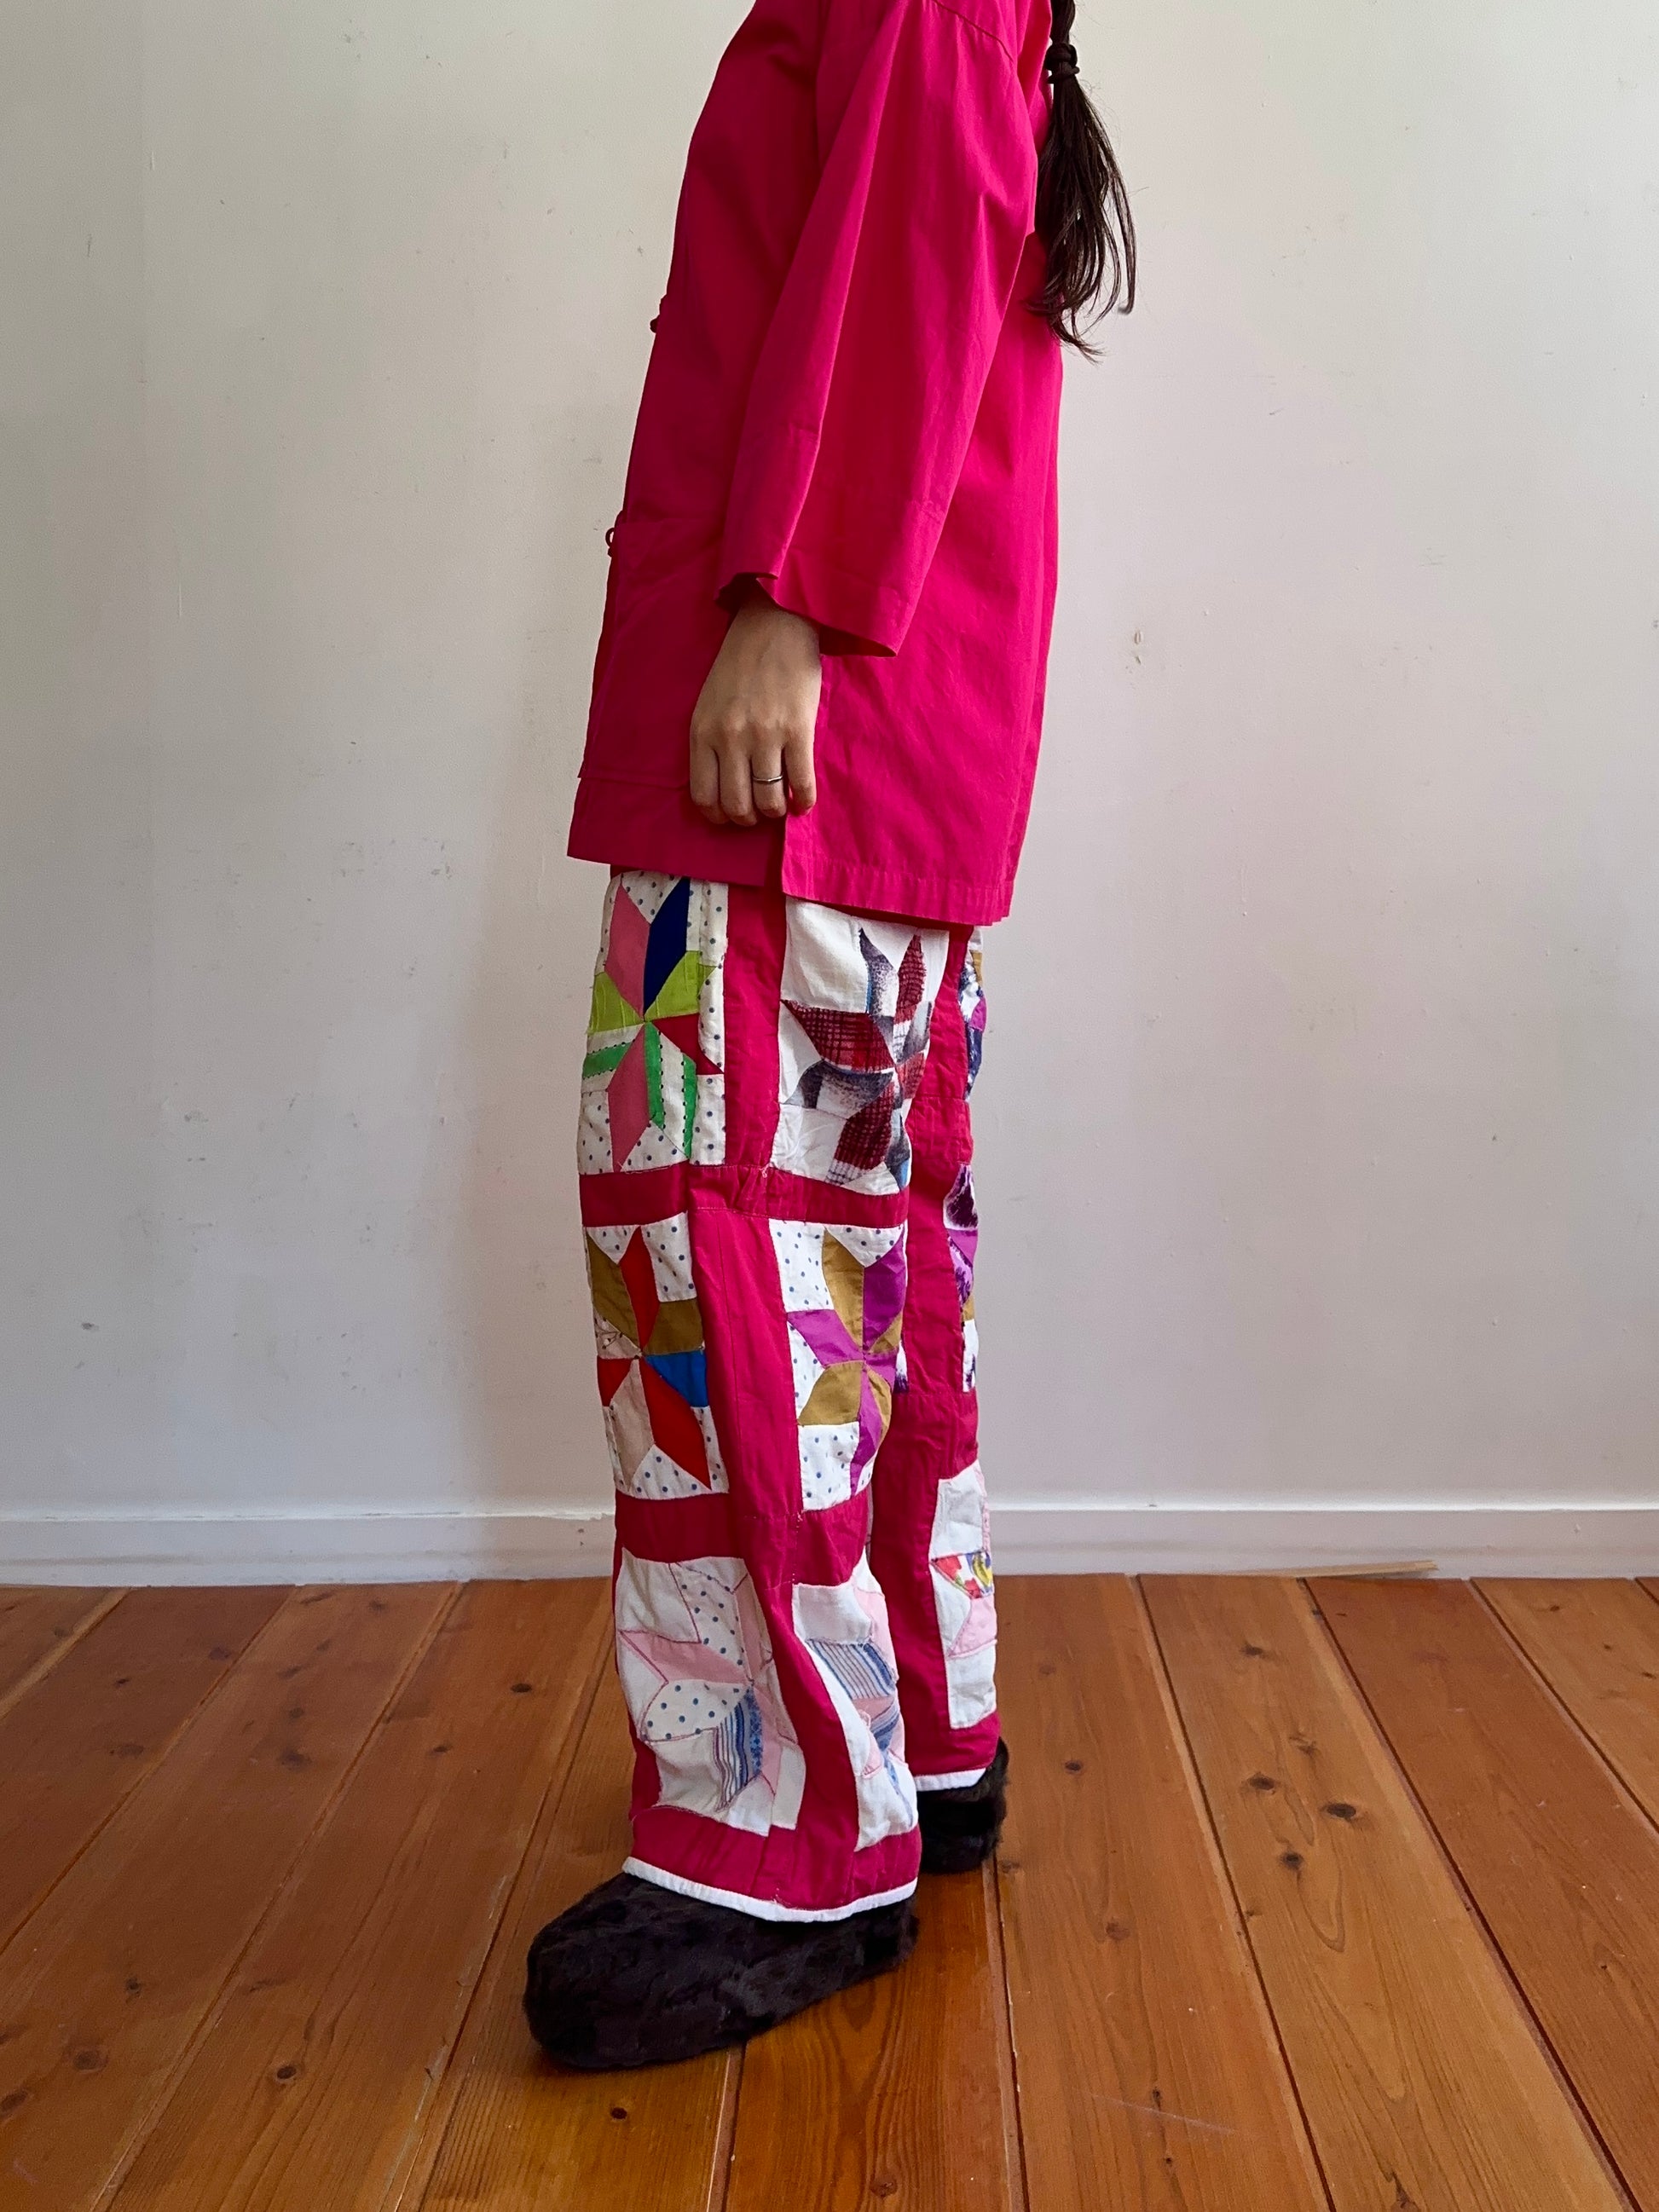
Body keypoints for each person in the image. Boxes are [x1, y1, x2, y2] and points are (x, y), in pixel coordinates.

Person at [524, 0, 1134, 2071]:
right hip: (895, 741)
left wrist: (783, 606)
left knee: (725, 1256)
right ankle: (918, 1740)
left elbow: (888, 264)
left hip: (802, 734)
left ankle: (779, 1833)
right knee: (873, 1271)